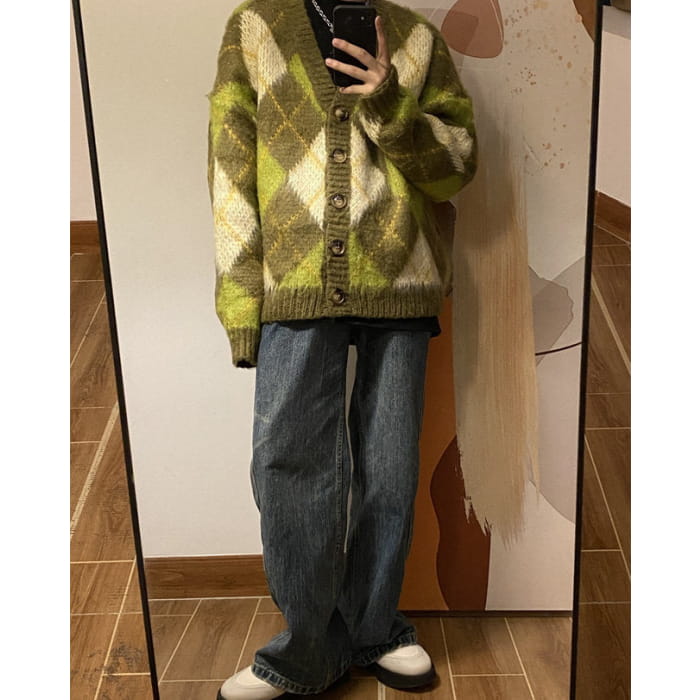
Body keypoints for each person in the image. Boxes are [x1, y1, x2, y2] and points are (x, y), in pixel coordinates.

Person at [207, 0, 477, 697]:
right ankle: (305, 646)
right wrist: (240, 302)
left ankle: (374, 627)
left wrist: (387, 99)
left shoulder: (417, 39)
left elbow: (456, 167)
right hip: (292, 285)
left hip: (402, 282)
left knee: (388, 466)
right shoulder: (254, 29)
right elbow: (231, 173)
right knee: (286, 462)